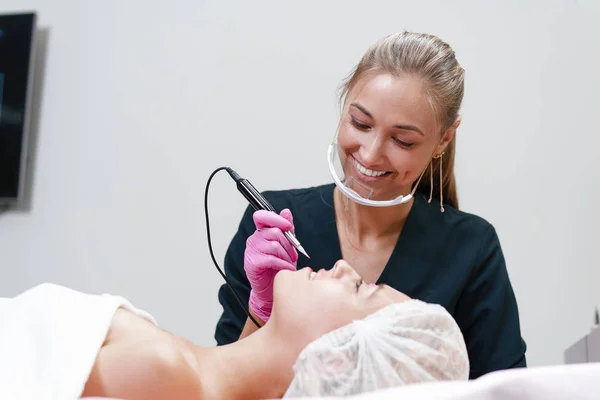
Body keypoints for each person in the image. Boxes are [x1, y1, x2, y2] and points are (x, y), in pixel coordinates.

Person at [215, 30, 527, 379]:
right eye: (360, 123)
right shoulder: (273, 224)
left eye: (403, 141)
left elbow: (506, 388)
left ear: (444, 139)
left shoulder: (471, 249)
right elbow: (224, 384)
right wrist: (260, 314)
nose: (371, 153)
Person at [78, 261, 469, 399]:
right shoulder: (175, 368)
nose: (345, 267)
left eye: (360, 287)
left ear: (334, 361)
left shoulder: (161, 370)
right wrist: (257, 313)